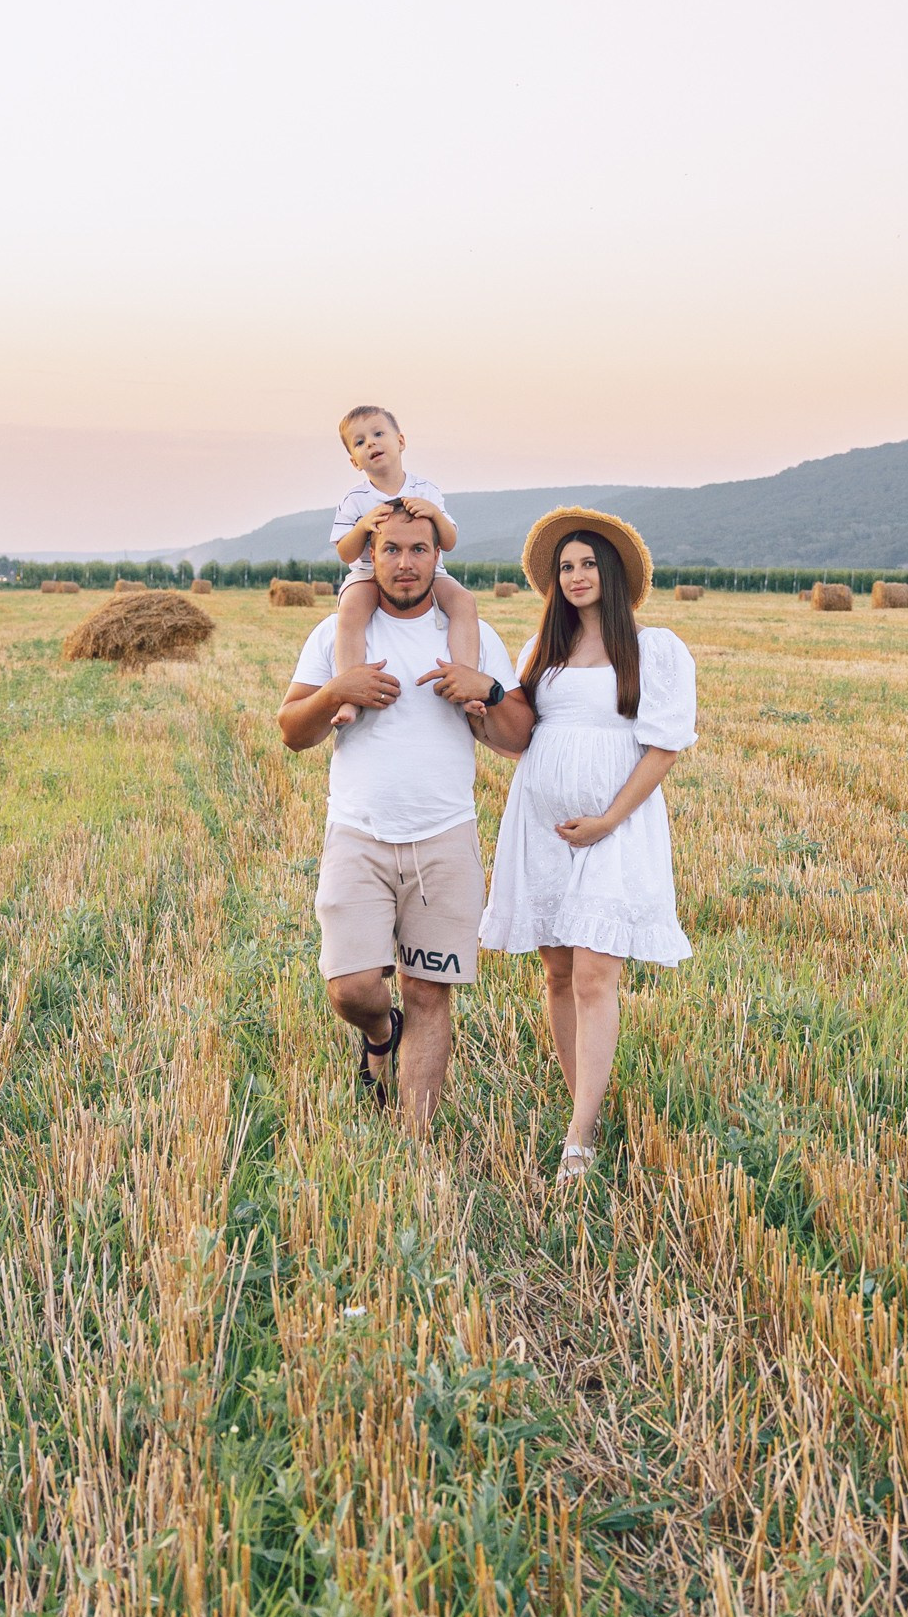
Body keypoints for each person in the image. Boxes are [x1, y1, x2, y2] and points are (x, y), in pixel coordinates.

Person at [277, 502, 532, 1127]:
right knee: (351, 987)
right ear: (371, 555)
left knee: (427, 992)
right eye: (391, 550)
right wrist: (338, 691)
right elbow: (290, 731)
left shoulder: (473, 635)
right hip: (358, 834)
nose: (406, 562)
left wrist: (488, 692)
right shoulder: (337, 635)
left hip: (445, 838)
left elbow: (516, 735)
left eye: (419, 549)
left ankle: (415, 1144)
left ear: (438, 556)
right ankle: (377, 1033)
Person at [480, 508, 696, 1182]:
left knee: (598, 976)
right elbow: (519, 741)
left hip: (616, 830)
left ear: (613, 572)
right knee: (558, 974)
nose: (575, 576)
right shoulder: (538, 653)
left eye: (586, 563)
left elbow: (664, 749)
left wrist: (606, 821)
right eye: (565, 567)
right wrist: (477, 715)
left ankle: (578, 1140)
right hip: (540, 830)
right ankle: (588, 1106)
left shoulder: (656, 649)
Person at [327, 403, 483, 726]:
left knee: (464, 602)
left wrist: (434, 514)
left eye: (378, 433)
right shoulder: (354, 500)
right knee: (352, 610)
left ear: (400, 441)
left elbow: (449, 542)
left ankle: (468, 682)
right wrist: (363, 526)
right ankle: (349, 695)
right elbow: (345, 552)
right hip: (368, 574)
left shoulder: (426, 490)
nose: (370, 443)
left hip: (429, 572)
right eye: (359, 442)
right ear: (354, 462)